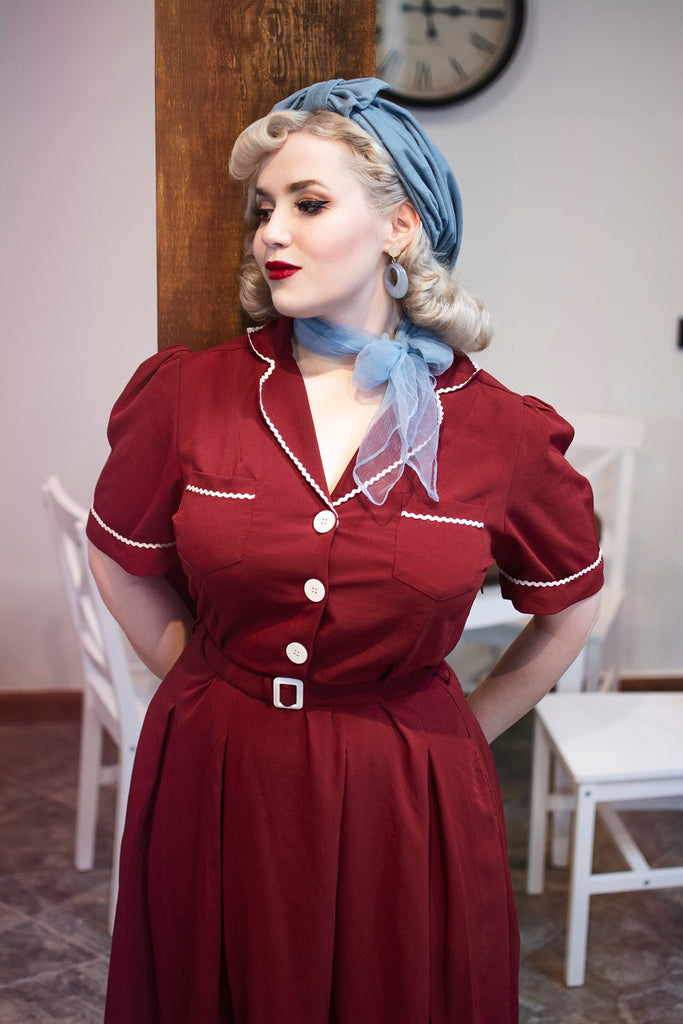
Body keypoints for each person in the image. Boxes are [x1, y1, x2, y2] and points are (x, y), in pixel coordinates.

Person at [88, 78, 603, 1024]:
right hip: (220, 774)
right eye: (264, 209)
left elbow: (567, 601)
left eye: (308, 204)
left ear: (398, 227)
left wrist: (462, 731)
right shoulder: (188, 394)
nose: (270, 234)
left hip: (403, 793)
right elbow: (122, 558)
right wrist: (203, 685)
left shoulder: (499, 431)